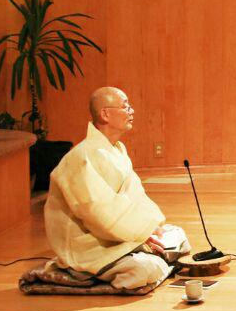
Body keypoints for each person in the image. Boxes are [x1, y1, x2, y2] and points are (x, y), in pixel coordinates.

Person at [44, 87, 186, 289]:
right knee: (144, 269)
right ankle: (91, 272)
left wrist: (149, 227)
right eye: (125, 106)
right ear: (105, 114)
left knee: (176, 236)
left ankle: (143, 252)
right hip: (90, 243)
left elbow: (135, 195)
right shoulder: (81, 157)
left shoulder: (117, 150)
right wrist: (141, 235)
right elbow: (97, 212)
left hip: (116, 233)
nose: (131, 111)